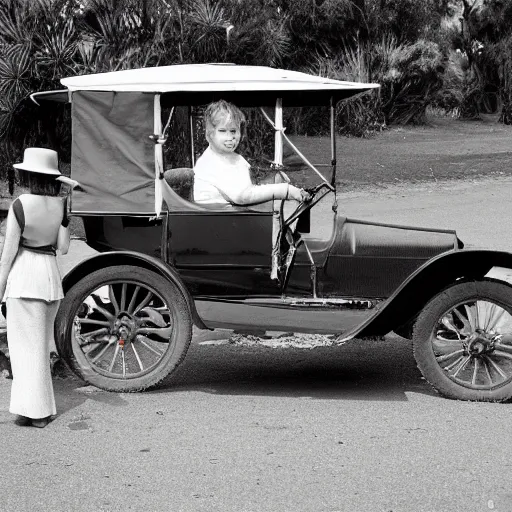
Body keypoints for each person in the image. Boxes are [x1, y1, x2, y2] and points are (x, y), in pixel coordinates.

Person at [0, 148, 74, 428]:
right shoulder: (60, 206)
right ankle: (35, 409)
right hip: (49, 277)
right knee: (39, 349)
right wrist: (64, 215)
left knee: (23, 350)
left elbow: (7, 256)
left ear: (28, 175)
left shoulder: (20, 204)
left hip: (23, 278)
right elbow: (64, 248)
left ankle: (35, 411)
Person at [193, 100, 309, 205]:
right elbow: (243, 196)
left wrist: (274, 179)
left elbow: (251, 184)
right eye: (222, 131)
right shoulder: (209, 163)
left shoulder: (233, 158)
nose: (230, 137)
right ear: (210, 134)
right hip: (216, 221)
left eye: (233, 131)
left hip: (232, 216)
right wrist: (286, 190)